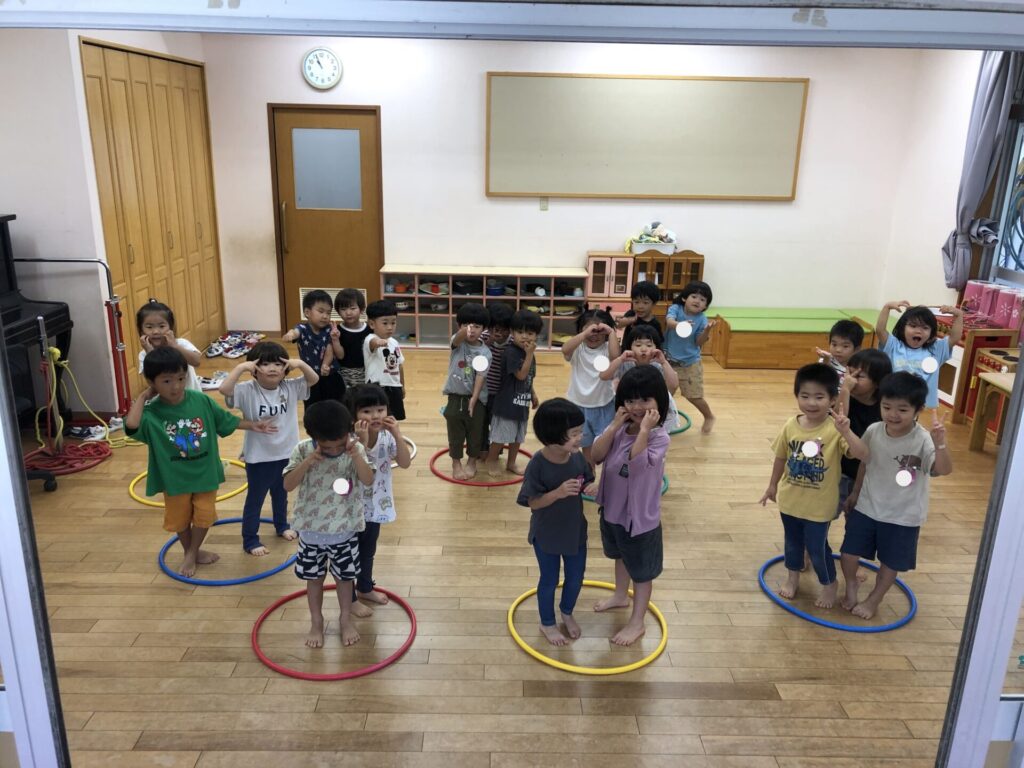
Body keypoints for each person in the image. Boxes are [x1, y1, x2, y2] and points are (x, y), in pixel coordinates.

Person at [124, 346, 276, 577]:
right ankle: (192, 552)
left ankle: (191, 553)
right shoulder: (152, 412)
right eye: (166, 381)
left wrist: (253, 425)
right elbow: (132, 426)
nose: (176, 386)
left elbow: (225, 420)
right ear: (152, 382)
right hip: (174, 477)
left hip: (205, 472)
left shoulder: (200, 400)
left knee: (205, 516)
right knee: (180, 519)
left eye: (181, 378)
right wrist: (144, 396)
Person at [841, 372, 952, 619]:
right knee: (848, 553)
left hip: (903, 515)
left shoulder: (923, 439)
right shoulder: (874, 430)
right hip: (867, 506)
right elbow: (864, 462)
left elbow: (943, 470)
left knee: (890, 563)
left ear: (918, 410)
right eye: (886, 407)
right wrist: (855, 493)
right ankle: (851, 586)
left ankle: (874, 599)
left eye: (902, 409)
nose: (892, 414)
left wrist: (940, 443)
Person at [759, 363, 868, 608]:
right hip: (791, 501)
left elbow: (863, 454)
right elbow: (780, 457)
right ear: (797, 396)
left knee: (817, 548)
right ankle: (792, 578)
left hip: (820, 506)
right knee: (792, 543)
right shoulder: (791, 425)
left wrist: (847, 432)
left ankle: (829, 583)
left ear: (832, 400)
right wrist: (772, 486)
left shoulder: (835, 428)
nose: (811, 403)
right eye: (805, 396)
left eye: (819, 397)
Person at [283, 400, 375, 648]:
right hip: (310, 533)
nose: (334, 450)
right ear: (313, 438)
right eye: (326, 447)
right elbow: (288, 485)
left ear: (348, 432)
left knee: (345, 580)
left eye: (339, 444)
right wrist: (309, 461)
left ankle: (345, 619)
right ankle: (316, 621)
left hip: (344, 532)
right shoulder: (302, 449)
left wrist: (356, 455)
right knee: (314, 580)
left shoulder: (354, 449)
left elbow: (368, 480)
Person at [590, 366, 670, 646]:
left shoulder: (659, 437)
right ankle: (620, 595)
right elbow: (596, 456)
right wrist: (613, 426)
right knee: (620, 556)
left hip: (639, 520)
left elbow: (636, 465)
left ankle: (637, 622)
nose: (637, 406)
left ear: (659, 402)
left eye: (645, 400)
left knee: (642, 572)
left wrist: (644, 430)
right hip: (612, 511)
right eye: (630, 400)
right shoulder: (619, 429)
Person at [219, 341, 318, 556]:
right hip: (259, 457)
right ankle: (250, 539)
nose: (272, 368)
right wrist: (241, 367)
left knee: (281, 494)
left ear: (285, 368)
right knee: (256, 499)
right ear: (254, 369)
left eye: (278, 364)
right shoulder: (246, 389)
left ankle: (281, 525)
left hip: (287, 453)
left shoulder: (290, 387)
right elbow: (224, 389)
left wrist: (300, 363)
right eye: (264, 364)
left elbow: (314, 379)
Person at [516, 398, 595, 646]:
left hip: (575, 531)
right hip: (547, 534)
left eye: (580, 431)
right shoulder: (537, 465)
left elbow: (587, 480)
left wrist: (592, 487)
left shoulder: (577, 458)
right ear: (552, 436)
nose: (580, 438)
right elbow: (533, 502)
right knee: (549, 579)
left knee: (576, 577)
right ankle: (547, 622)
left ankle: (567, 611)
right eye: (574, 434)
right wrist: (557, 493)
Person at [346, 383, 412, 610]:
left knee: (368, 552)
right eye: (366, 411)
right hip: (349, 508)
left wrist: (397, 434)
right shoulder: (348, 440)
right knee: (349, 554)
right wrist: (362, 442)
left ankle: (364, 588)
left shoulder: (387, 436)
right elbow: (353, 471)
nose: (375, 416)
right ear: (354, 415)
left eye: (380, 409)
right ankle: (349, 599)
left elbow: (405, 463)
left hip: (375, 506)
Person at [876, 301, 964, 410]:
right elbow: (880, 331)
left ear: (931, 333)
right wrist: (887, 307)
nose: (918, 331)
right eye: (913, 326)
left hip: (921, 407)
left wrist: (959, 315)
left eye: (925, 328)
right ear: (903, 328)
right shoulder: (894, 346)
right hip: (894, 402)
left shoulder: (935, 350)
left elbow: (955, 338)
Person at [562, 306, 619, 466]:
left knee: (606, 444)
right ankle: (590, 473)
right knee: (585, 445)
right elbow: (565, 349)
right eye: (590, 330)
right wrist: (585, 333)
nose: (594, 335)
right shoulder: (577, 349)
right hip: (578, 406)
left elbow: (616, 356)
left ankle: (606, 473)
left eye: (600, 331)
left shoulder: (607, 349)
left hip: (604, 405)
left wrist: (611, 332)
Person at [485, 309, 541, 476]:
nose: (525, 337)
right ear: (512, 333)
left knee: (517, 437)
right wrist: (529, 354)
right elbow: (521, 374)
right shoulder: (511, 352)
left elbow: (528, 377)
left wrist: (532, 393)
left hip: (521, 403)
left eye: (530, 333)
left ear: (536, 335)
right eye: (520, 332)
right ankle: (491, 460)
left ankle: (511, 463)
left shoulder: (528, 353)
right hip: (506, 405)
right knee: (500, 437)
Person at [599, 324, 682, 431]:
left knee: (653, 434)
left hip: (652, 410)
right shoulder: (625, 363)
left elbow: (674, 385)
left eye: (649, 345)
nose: (643, 349)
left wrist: (664, 362)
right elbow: (603, 376)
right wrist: (620, 359)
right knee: (630, 432)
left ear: (656, 348)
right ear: (630, 347)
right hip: (631, 409)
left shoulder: (658, 364)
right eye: (638, 345)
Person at [443, 303, 491, 479]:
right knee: (455, 432)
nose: (471, 330)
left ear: (484, 329)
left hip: (476, 399)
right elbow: (457, 339)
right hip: (455, 397)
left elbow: (480, 377)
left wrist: (474, 398)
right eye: (466, 325)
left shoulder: (485, 352)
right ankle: (456, 463)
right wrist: (465, 331)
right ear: (459, 326)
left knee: (475, 432)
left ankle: (472, 461)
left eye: (477, 326)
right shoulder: (458, 343)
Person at [665, 280, 716, 434]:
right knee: (665, 394)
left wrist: (707, 331)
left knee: (694, 396)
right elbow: (669, 322)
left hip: (690, 364)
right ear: (684, 298)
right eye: (694, 296)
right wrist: (680, 325)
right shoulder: (676, 308)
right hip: (669, 361)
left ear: (705, 306)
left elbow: (698, 342)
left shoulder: (702, 319)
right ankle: (662, 419)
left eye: (702, 299)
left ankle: (709, 416)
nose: (697, 301)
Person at [283, 289, 345, 406]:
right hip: (310, 376)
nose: (325, 316)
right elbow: (295, 332)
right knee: (312, 405)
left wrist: (325, 364)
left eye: (328, 313)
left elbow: (329, 349)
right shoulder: (303, 328)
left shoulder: (329, 329)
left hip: (330, 374)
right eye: (321, 311)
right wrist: (291, 334)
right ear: (307, 312)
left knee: (335, 404)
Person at [136, 299, 202, 392]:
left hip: (190, 396)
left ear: (170, 328)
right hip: (164, 399)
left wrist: (175, 347)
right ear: (142, 331)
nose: (155, 331)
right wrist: (151, 353)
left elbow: (196, 361)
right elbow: (152, 381)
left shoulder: (181, 344)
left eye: (162, 326)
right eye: (149, 327)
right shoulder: (144, 354)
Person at [481, 302, 514, 464]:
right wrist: (488, 342)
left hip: (503, 392)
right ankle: (482, 449)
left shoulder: (513, 342)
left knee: (497, 423)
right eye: (495, 329)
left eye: (504, 329)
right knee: (481, 422)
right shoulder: (483, 337)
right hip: (483, 390)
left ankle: (496, 449)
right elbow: (475, 355)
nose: (499, 333)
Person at [363, 299, 406, 420]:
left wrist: (402, 386)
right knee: (376, 418)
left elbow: (399, 365)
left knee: (393, 419)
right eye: (385, 323)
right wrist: (378, 342)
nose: (390, 327)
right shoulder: (370, 338)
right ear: (372, 324)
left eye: (393, 323)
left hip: (394, 386)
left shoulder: (394, 342)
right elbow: (372, 343)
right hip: (377, 387)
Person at [331, 288, 372, 389]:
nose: (348, 313)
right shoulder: (337, 331)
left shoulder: (369, 329)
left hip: (366, 372)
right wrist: (335, 339)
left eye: (353, 308)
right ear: (338, 311)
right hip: (344, 374)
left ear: (361, 309)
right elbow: (340, 356)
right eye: (343, 309)